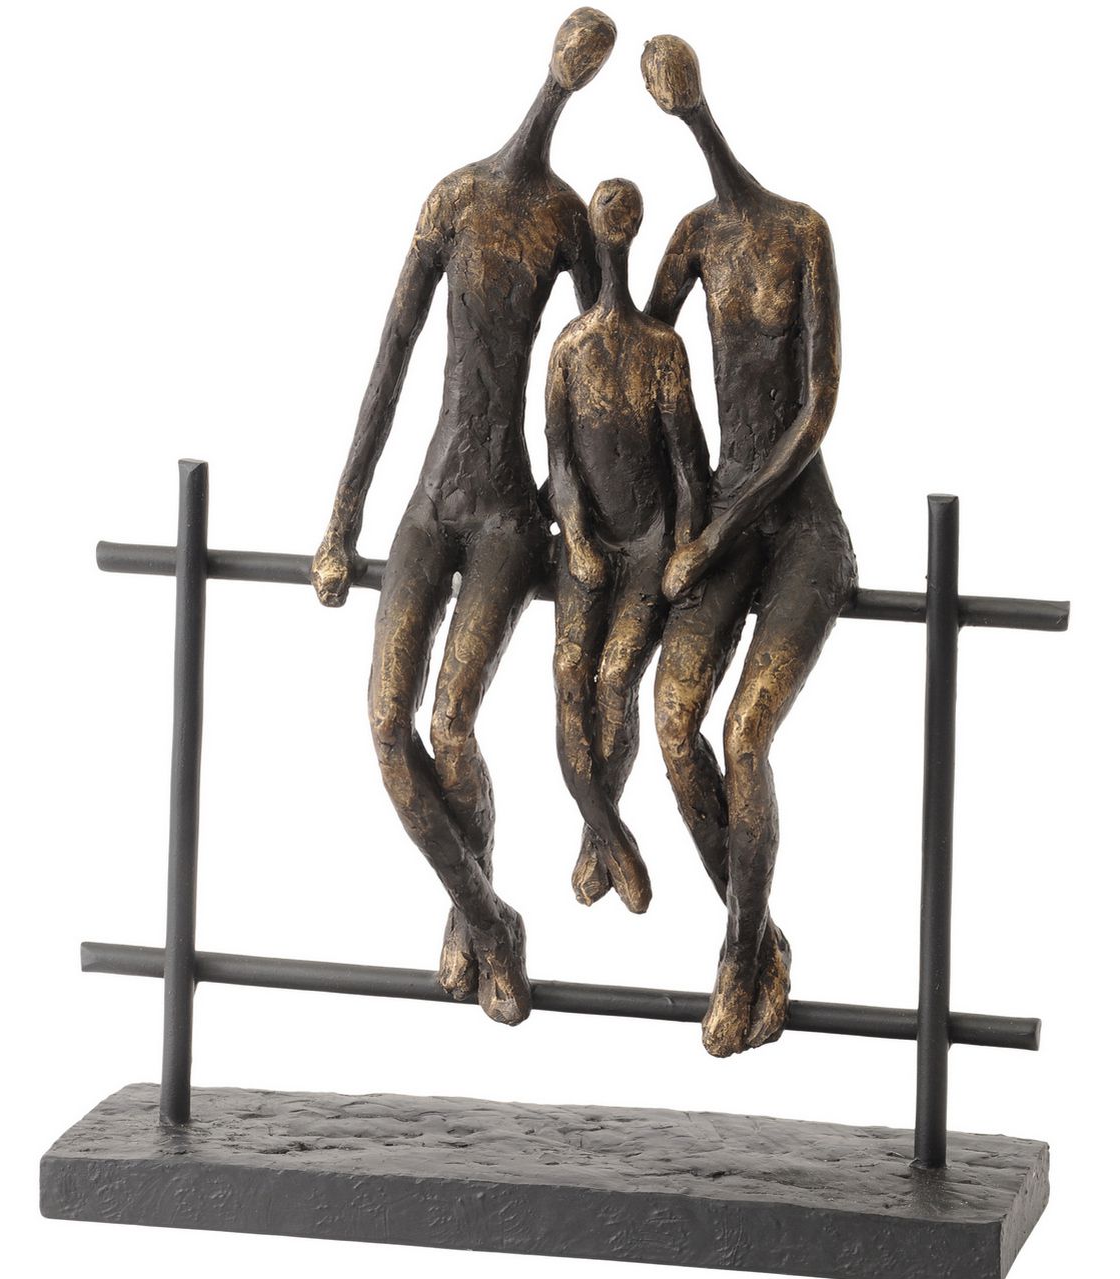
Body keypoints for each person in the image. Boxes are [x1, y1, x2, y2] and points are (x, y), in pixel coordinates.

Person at [311, 10, 616, 1027]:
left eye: (590, 59)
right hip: (431, 501)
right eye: (574, 52)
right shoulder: (456, 197)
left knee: (450, 726)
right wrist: (341, 519)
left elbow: (589, 379)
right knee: (384, 727)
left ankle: (475, 918)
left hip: (506, 516)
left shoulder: (568, 220)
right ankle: (490, 918)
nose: (577, 64)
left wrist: (587, 519)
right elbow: (390, 358)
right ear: (558, 58)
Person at [641, 35, 858, 1056]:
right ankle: (757, 936)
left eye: (677, 92)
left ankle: (736, 961)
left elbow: (816, 409)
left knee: (743, 737)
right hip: (723, 517)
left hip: (801, 525)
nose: (673, 101)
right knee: (670, 722)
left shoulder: (801, 232)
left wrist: (717, 529)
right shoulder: (690, 236)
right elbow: (645, 352)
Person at [544, 178, 708, 915]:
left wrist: (683, 549)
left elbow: (688, 463)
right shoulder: (569, 348)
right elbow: (558, 460)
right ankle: (610, 833)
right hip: (590, 543)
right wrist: (576, 537)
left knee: (615, 681)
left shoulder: (661, 350)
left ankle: (594, 834)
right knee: (568, 677)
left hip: (645, 546)